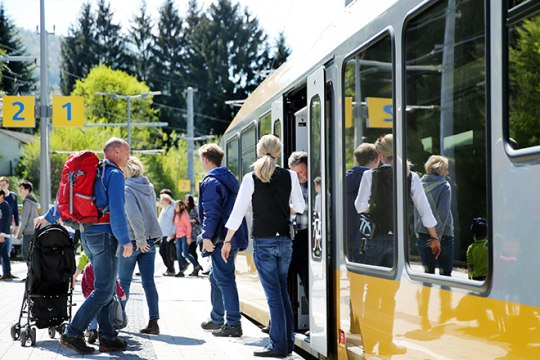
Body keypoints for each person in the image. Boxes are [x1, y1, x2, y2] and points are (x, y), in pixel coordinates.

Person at [34, 137, 134, 355]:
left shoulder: (92, 172)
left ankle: (108, 337)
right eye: (127, 153)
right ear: (115, 151)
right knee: (104, 289)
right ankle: (73, 332)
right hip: (106, 236)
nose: (129, 157)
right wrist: (125, 239)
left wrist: (48, 216)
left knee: (104, 287)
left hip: (87, 235)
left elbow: (66, 200)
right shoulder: (114, 174)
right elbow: (117, 211)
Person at [354, 134, 438, 355]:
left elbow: (360, 206)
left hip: (374, 240)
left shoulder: (370, 176)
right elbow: (424, 209)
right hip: (398, 242)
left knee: (371, 293)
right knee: (389, 295)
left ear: (380, 155)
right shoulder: (410, 177)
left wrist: (374, 208)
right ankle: (385, 344)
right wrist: (434, 236)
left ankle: (369, 343)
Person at [222, 134, 305, 358]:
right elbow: (300, 206)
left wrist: (227, 240)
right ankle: (287, 343)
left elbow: (238, 213)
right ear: (279, 153)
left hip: (264, 242)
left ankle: (277, 346)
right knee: (282, 293)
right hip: (285, 242)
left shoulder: (251, 177)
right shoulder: (290, 175)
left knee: (274, 296)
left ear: (259, 151)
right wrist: (282, 211)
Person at [198, 143, 248, 338]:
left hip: (219, 238)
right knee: (215, 276)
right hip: (231, 235)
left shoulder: (211, 182)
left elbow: (211, 213)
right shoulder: (229, 179)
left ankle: (233, 323)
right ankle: (217, 318)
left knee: (225, 278)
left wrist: (207, 237)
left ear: (206, 160)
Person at [118, 157, 163, 335]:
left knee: (124, 282)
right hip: (149, 241)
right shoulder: (149, 187)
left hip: (134, 241)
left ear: (127, 170)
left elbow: (134, 216)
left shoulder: (127, 188)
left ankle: (118, 319)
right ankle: (154, 322)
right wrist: (146, 239)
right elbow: (151, 212)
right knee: (149, 283)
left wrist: (140, 239)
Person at [415, 155, 454, 276]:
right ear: (439, 169)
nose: (447, 172)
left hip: (422, 233)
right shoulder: (444, 186)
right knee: (445, 275)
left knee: (428, 275)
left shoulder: (418, 184)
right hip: (444, 235)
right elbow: (443, 214)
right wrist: (435, 238)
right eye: (446, 169)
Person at [345, 143, 379, 262]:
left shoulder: (346, 179)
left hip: (347, 238)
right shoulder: (373, 178)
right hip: (365, 237)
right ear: (375, 159)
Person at [82, 262, 127, 344]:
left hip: (91, 296)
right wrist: (121, 293)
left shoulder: (88, 266)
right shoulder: (107, 265)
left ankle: (92, 330)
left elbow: (84, 282)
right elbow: (114, 282)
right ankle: (103, 333)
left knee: (93, 314)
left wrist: (85, 293)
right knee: (105, 314)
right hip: (105, 295)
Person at [287, 151, 310, 301]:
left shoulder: (317, 183)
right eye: (295, 174)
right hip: (290, 238)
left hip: (307, 237)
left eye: (301, 171)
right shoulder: (288, 185)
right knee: (285, 281)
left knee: (308, 280)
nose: (300, 176)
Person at [0, 176, 19, 279]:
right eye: (0, 185)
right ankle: (5, 273)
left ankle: (7, 273)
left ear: (7, 184)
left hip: (9, 228)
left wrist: (17, 226)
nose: (2, 187)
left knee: (7, 250)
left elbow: (15, 211)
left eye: (4, 184)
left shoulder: (13, 196)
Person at [15, 180, 39, 262]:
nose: (20, 190)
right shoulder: (34, 201)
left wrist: (18, 234)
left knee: (27, 255)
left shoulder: (27, 202)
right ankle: (34, 274)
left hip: (28, 233)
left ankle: (31, 274)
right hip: (35, 231)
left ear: (27, 189)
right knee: (33, 255)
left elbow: (24, 220)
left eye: (21, 188)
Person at [174, 200, 197, 277]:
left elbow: (188, 226)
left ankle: (196, 265)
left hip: (184, 236)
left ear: (181, 207)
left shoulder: (184, 214)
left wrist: (188, 237)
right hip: (178, 236)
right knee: (178, 254)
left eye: (176, 206)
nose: (175, 208)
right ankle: (181, 270)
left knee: (186, 253)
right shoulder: (176, 214)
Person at [158, 192, 176, 276]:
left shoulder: (171, 209)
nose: (161, 202)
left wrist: (173, 232)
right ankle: (169, 268)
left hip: (169, 234)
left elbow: (175, 222)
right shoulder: (164, 209)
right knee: (162, 251)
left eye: (162, 200)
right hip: (163, 234)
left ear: (167, 200)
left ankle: (171, 270)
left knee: (168, 253)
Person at [184, 194, 203, 276]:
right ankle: (196, 266)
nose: (186, 201)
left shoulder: (195, 208)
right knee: (190, 251)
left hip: (195, 232)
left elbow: (200, 219)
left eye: (187, 200)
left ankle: (196, 267)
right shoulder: (187, 209)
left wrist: (191, 220)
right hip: (189, 233)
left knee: (191, 251)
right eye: (185, 199)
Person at [0, 189, 12, 280]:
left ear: (1, 196)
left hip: (2, 235)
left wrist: (2, 235)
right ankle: (7, 273)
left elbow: (5, 221)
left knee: (4, 254)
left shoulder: (5, 205)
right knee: (4, 254)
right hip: (2, 234)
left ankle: (7, 273)